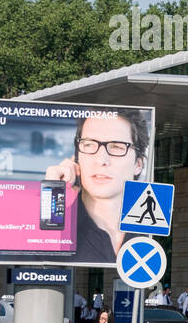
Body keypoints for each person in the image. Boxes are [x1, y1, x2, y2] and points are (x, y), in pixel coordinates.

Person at [44, 108, 150, 265]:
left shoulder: (147, 231)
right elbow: (37, 258)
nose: (102, 160)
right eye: (90, 145)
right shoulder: (61, 222)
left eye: (117, 147)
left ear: (138, 164)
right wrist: (53, 193)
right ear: (77, 157)